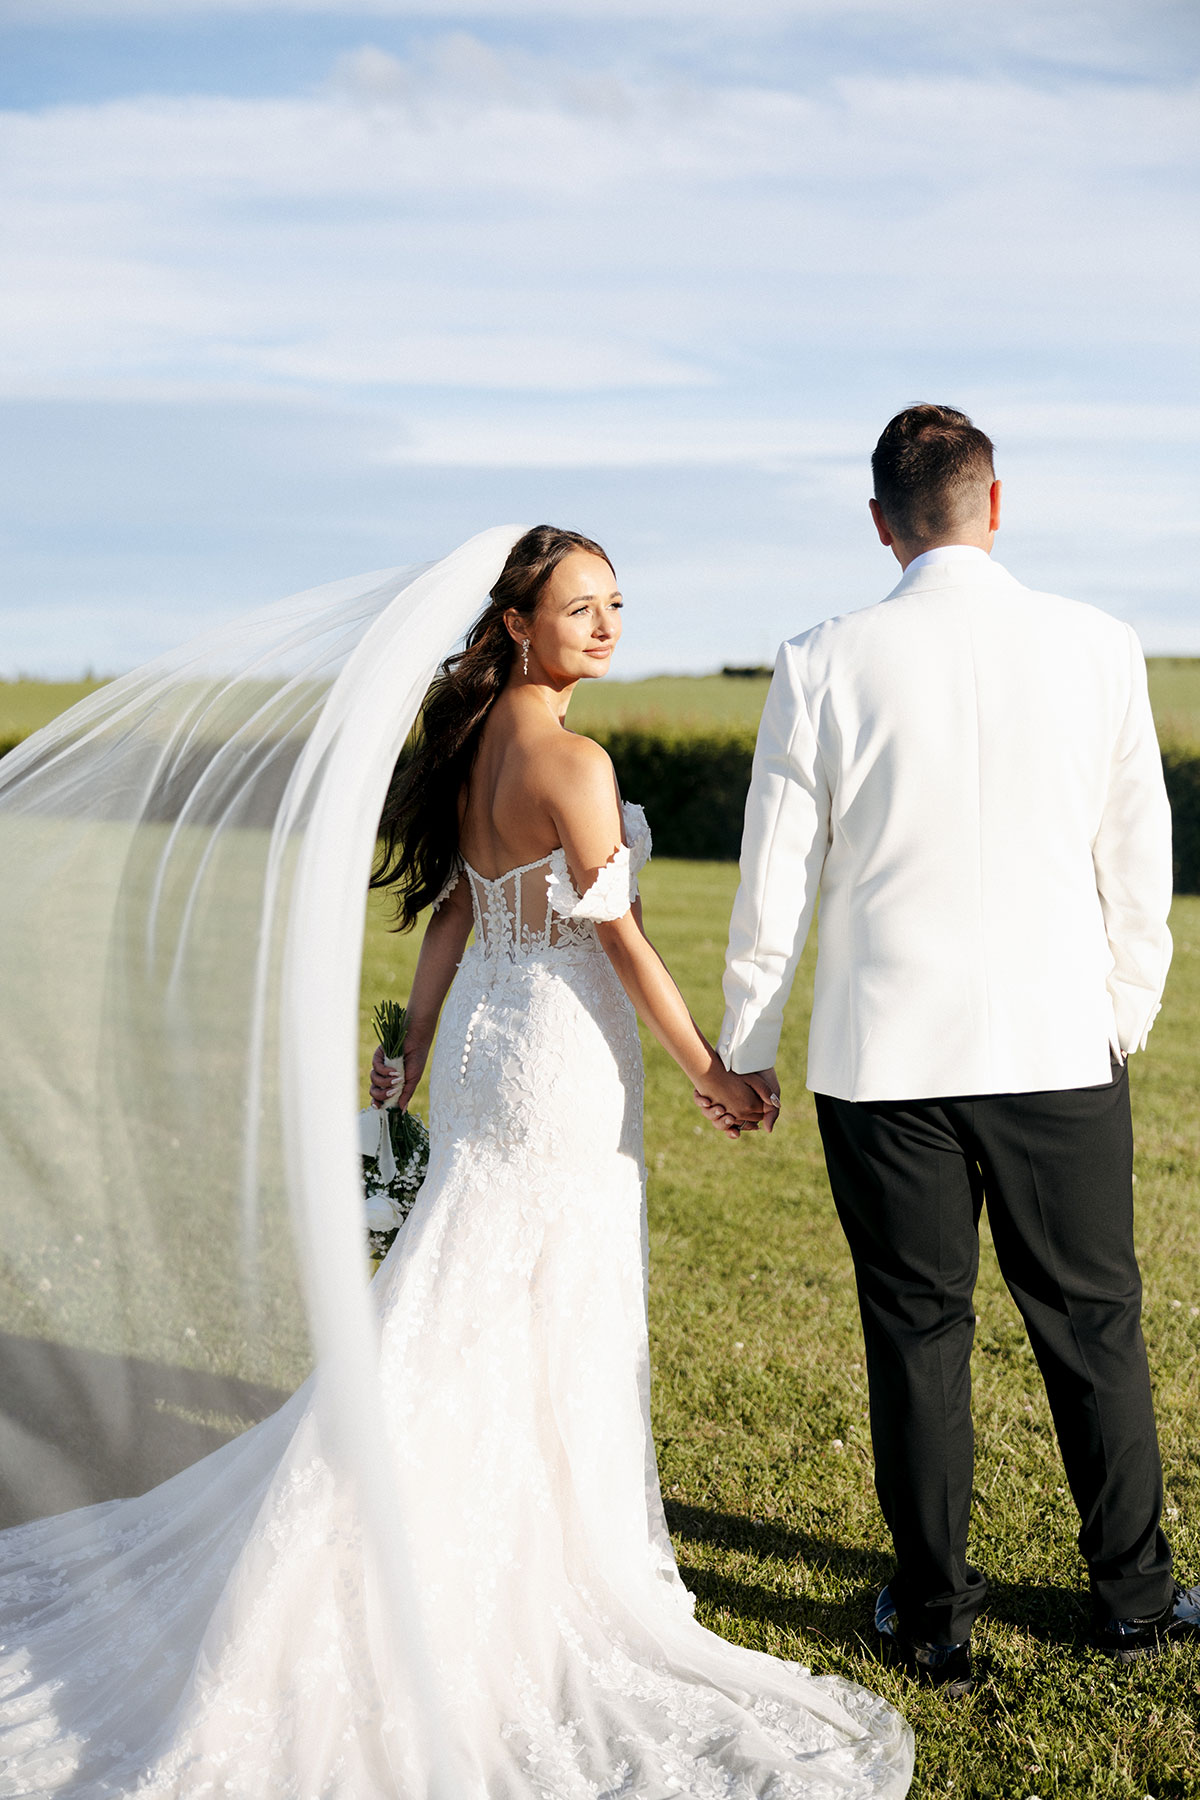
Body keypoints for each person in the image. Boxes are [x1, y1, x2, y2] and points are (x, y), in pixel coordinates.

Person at [0, 525, 914, 1797]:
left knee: (464, 1281)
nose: (605, 625)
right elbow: (620, 939)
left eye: (615, 604)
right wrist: (712, 1067)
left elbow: (451, 912)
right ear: (518, 625)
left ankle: (438, 1504)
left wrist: (420, 1045)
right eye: (580, 607)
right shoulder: (574, 760)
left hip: (491, 1039)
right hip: (557, 1054)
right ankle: (520, 1548)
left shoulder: (482, 745)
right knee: (541, 1290)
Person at [704, 405, 1199, 1697]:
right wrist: (1122, 1011)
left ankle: (934, 1620)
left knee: (916, 1332)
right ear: (995, 501)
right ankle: (1138, 1604)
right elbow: (1138, 854)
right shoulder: (1096, 646)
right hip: (1057, 1044)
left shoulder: (821, 657)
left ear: (881, 521)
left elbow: (775, 883)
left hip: (883, 1061)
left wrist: (744, 1045)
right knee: (1094, 1322)